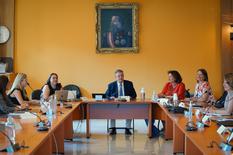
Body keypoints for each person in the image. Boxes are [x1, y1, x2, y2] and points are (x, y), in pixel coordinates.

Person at [105, 69, 137, 135]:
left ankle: (127, 129)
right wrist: (111, 97)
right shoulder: (111, 85)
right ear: (115, 77)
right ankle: (113, 128)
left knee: (129, 110)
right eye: (118, 76)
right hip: (115, 104)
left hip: (126, 104)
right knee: (111, 110)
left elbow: (134, 95)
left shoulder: (129, 84)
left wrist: (130, 97)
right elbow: (106, 95)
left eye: (122, 76)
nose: (120, 77)